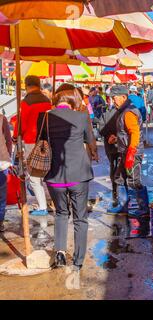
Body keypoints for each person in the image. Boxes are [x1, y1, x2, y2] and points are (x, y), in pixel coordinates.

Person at [37, 85, 97, 271]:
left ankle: (60, 252)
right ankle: (78, 261)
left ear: (57, 100)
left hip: (55, 177)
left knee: (61, 214)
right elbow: (90, 140)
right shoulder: (81, 117)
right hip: (78, 175)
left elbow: (43, 141)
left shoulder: (45, 117)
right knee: (80, 219)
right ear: (73, 100)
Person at [13, 75, 52, 216]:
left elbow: (21, 123)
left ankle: (42, 206)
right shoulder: (47, 100)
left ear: (27, 85)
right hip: (47, 140)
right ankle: (47, 200)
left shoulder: (27, 101)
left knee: (34, 175)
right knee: (44, 171)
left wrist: (15, 136)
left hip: (31, 140)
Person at [108, 85, 149, 217]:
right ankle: (123, 205)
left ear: (123, 97)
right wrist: (116, 138)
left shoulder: (128, 112)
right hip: (125, 151)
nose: (113, 101)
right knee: (119, 178)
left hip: (132, 152)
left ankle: (144, 208)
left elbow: (135, 133)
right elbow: (126, 132)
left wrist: (131, 152)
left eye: (114, 98)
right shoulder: (123, 110)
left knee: (134, 180)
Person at [98, 96, 125, 214]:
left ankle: (115, 190)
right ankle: (120, 190)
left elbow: (101, 129)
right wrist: (114, 137)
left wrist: (109, 136)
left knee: (113, 166)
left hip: (111, 145)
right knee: (119, 167)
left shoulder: (107, 113)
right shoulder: (120, 112)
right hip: (118, 144)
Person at [0, 114, 12, 233]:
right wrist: (8, 156)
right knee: (1, 196)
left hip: (2, 162)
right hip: (2, 161)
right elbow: (8, 141)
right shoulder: (2, 118)